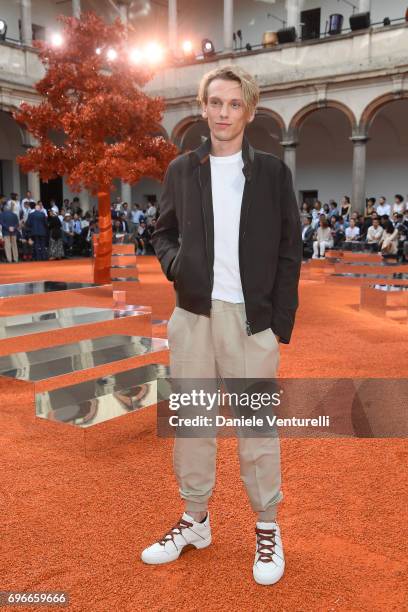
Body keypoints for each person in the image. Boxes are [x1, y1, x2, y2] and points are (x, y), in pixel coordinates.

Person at [145, 64, 302, 586]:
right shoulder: (181, 170)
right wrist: (177, 266)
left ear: (249, 112)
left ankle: (267, 526)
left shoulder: (274, 174)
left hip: (249, 320)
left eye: (234, 104)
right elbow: (162, 233)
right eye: (215, 102)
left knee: (256, 427)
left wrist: (277, 322)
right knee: (192, 424)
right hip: (192, 316)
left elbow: (289, 251)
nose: (223, 113)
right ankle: (195, 521)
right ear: (203, 105)